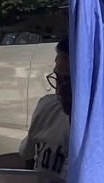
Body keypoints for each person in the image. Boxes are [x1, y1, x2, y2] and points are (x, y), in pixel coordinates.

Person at [22, 42, 70, 175]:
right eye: (58, 79)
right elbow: (28, 157)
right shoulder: (47, 108)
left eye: (70, 81)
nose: (61, 90)